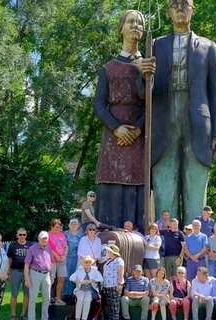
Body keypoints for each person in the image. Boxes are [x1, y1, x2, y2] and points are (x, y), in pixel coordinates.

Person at [140, 0, 216, 225]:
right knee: (164, 187)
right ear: (168, 13)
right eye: (174, 5)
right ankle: (166, 253)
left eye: (184, 4)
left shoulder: (208, 46)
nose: (179, 8)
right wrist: (143, 74)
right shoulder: (155, 45)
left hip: (197, 121)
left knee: (195, 189)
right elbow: (142, 92)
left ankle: (196, 251)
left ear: (192, 11)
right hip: (163, 120)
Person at [93, 9, 146, 231]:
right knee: (111, 182)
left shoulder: (148, 66)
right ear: (121, 28)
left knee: (139, 183)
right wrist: (116, 128)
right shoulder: (108, 68)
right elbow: (98, 104)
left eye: (140, 23)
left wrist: (138, 128)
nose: (136, 26)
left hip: (140, 135)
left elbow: (156, 104)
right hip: (113, 137)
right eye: (131, 22)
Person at [24, 231, 53, 320]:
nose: (44, 240)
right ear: (38, 239)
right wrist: (27, 279)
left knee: (47, 298)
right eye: (43, 238)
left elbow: (50, 263)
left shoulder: (49, 248)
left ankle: (44, 318)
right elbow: (26, 264)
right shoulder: (32, 248)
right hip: (35, 274)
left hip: (47, 275)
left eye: (46, 238)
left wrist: (52, 276)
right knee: (33, 298)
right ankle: (31, 318)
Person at [7, 228, 32, 320]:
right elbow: (9, 260)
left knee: (27, 294)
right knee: (14, 294)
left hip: (27, 273)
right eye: (20, 234)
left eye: (24, 234)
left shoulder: (30, 245)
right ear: (17, 235)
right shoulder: (12, 245)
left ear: (26, 235)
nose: (22, 236)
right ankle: (13, 314)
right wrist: (8, 272)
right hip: (15, 272)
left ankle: (23, 314)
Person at [69, 256, 104, 320]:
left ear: (91, 263)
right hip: (80, 289)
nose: (88, 263)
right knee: (80, 299)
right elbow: (71, 278)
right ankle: (77, 318)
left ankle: (84, 318)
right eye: (86, 262)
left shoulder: (94, 270)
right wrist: (79, 281)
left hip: (90, 290)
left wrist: (91, 280)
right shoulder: (80, 269)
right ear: (84, 263)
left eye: (89, 262)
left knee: (87, 301)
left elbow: (101, 279)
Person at [48, 219, 68, 305]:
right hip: (52, 260)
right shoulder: (48, 235)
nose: (58, 228)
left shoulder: (62, 235)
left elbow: (66, 246)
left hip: (62, 260)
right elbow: (48, 248)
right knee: (50, 280)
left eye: (59, 227)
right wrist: (56, 256)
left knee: (61, 279)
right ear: (52, 226)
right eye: (56, 227)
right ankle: (48, 299)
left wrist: (64, 255)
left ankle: (58, 298)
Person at [102, 245, 125, 320]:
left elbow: (121, 273)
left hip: (115, 286)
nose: (108, 252)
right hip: (107, 286)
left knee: (115, 308)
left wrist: (119, 284)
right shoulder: (108, 260)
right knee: (110, 307)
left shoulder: (119, 260)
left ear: (113, 252)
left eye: (109, 251)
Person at [64, 219, 83, 297]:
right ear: (69, 225)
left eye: (76, 223)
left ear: (78, 225)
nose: (74, 225)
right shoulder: (65, 234)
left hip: (77, 259)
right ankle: (66, 294)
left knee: (76, 275)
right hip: (67, 258)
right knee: (67, 276)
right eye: (72, 223)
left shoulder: (81, 235)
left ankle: (75, 294)